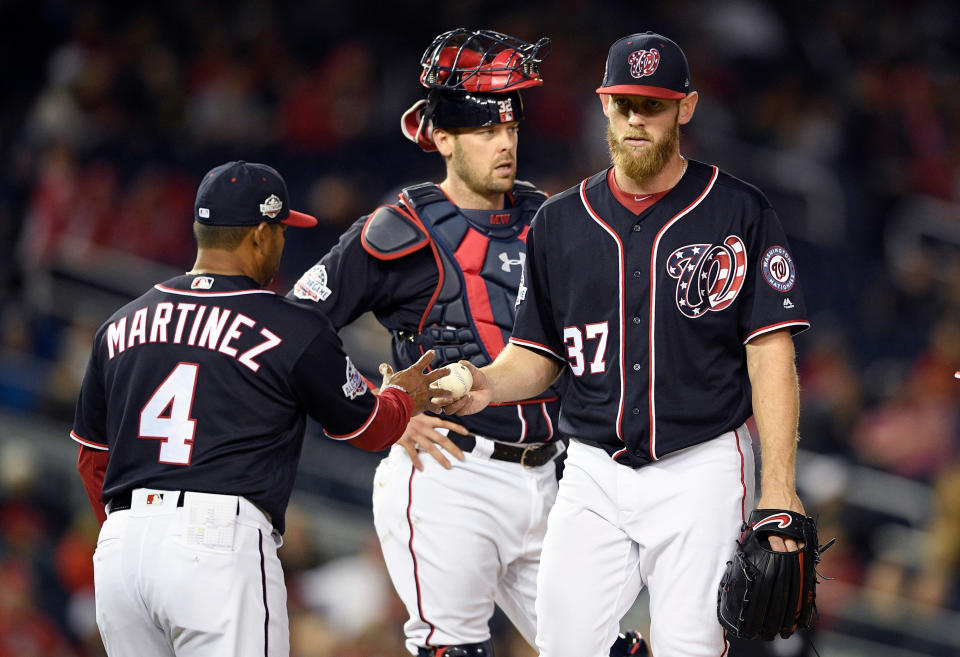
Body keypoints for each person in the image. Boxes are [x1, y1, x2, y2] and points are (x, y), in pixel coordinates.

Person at [445, 31, 812, 657]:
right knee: (562, 643)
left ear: (686, 108)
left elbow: (770, 352)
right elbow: (538, 355)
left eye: (654, 104)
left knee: (690, 646)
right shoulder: (557, 222)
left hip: (701, 465)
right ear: (604, 104)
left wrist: (779, 481)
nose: (637, 118)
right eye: (624, 103)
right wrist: (483, 384)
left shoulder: (739, 212)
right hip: (593, 468)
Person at [289, 28, 644, 657]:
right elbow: (294, 327)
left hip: (552, 476)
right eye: (485, 132)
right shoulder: (403, 227)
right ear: (442, 138)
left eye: (509, 128)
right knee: (453, 650)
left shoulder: (553, 218)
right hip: (450, 474)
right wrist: (376, 412)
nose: (504, 143)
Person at [69, 160, 451, 657]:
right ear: (260, 235)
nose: (283, 243)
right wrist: (404, 397)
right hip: (215, 542)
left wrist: (133, 534)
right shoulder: (291, 325)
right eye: (281, 231)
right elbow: (370, 428)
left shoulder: (121, 322)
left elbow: (91, 460)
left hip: (122, 546)